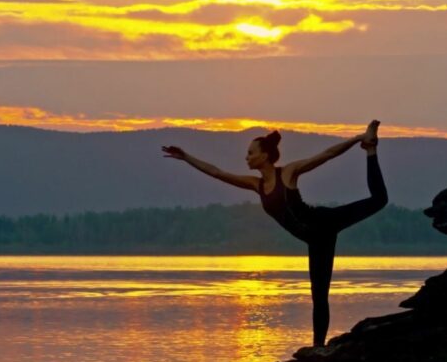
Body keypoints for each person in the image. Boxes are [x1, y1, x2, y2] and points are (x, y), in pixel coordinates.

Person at [162, 120, 388, 347]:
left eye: (251, 153)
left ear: (265, 155)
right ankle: (318, 349)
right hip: (317, 241)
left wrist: (359, 138)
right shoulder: (256, 185)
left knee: (379, 200)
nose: (246, 158)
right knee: (319, 297)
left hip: (324, 221)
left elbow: (326, 154)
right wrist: (187, 157)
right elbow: (217, 172)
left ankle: (371, 149)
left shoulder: (288, 173)